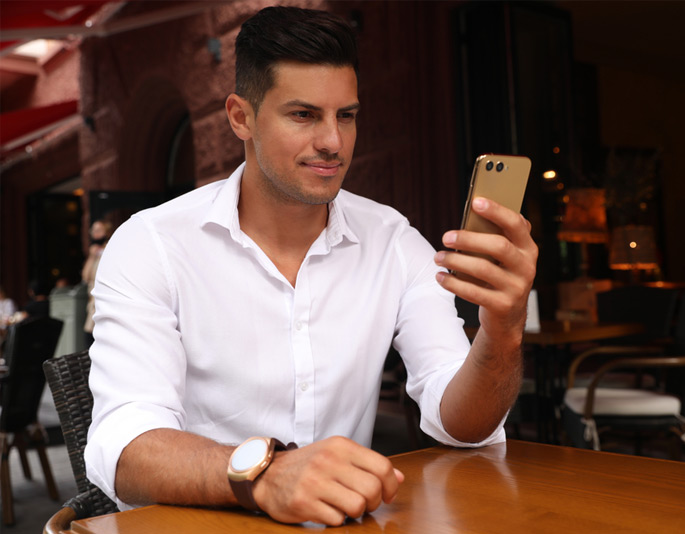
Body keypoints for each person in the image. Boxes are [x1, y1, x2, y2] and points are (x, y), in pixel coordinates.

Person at [85, 6, 537, 527]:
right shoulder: (153, 244)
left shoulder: (391, 240)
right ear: (241, 117)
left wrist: (501, 333)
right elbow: (122, 444)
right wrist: (265, 475)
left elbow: (462, 426)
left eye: (346, 115)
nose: (333, 142)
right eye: (304, 115)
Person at [81, 219, 112, 347]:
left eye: (99, 230)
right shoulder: (93, 250)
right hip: (92, 302)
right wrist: (92, 256)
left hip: (105, 299)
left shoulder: (111, 247)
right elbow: (85, 277)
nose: (95, 234)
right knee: (90, 338)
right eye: (93, 230)